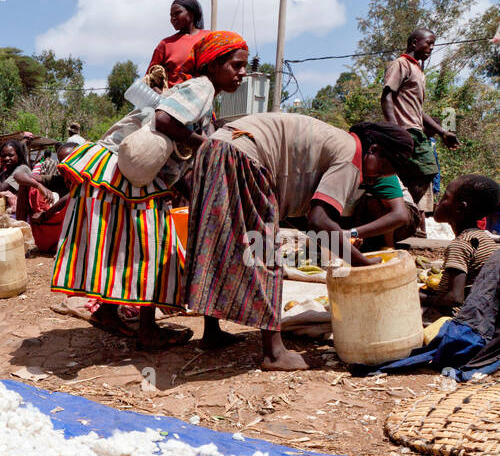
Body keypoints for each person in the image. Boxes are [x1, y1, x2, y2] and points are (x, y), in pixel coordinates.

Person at [46, 32, 252, 352]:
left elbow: (173, 151)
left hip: (111, 171)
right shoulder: (202, 87)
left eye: (244, 66)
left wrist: (187, 188)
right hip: (124, 177)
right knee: (153, 251)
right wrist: (208, 146)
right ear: (213, 65)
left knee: (120, 247)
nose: (242, 73)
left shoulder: (197, 91)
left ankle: (108, 312)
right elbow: (163, 119)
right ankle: (147, 332)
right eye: (236, 65)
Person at [185, 115, 417, 370]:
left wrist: (333, 239)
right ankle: (274, 354)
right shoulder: (352, 155)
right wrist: (362, 263)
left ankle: (211, 331)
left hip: (214, 147)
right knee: (264, 250)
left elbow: (309, 218)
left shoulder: (336, 143)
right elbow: (319, 220)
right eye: (380, 171)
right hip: (243, 154)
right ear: (374, 150)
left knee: (219, 243)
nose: (373, 180)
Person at [382, 29, 459, 207]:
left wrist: (442, 132)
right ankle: (403, 211)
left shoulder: (418, 70)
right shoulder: (401, 64)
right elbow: (386, 96)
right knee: (428, 170)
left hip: (415, 130)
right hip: (405, 131)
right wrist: (395, 130)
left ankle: (399, 211)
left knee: (413, 175)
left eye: (433, 44)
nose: (431, 48)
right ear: (414, 42)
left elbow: (419, 111)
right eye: (429, 43)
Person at [421, 175, 500, 312]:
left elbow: (455, 298)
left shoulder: (460, 245)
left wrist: (419, 297)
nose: (438, 202)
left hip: (464, 318)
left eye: (445, 197)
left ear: (459, 208)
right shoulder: (484, 238)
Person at [147, 0, 209, 86]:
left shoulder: (209, 38)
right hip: (173, 97)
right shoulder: (166, 44)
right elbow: (150, 79)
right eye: (171, 15)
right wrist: (164, 98)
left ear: (192, 13)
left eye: (177, 13)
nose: (173, 18)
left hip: (203, 96)